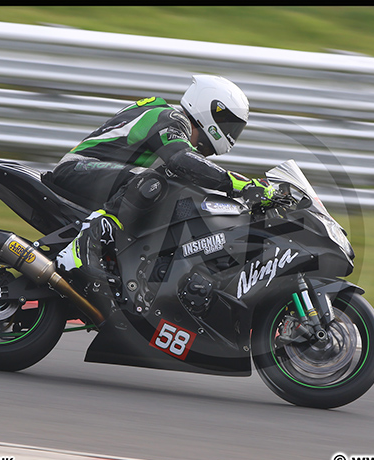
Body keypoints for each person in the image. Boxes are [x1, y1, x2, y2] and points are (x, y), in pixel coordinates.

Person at [50, 74, 273, 328]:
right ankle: (85, 247)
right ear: (209, 109)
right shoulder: (170, 118)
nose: (232, 134)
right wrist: (238, 184)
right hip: (78, 170)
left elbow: (191, 169)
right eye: (229, 124)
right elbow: (181, 160)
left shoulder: (179, 133)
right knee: (152, 181)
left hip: (106, 182)